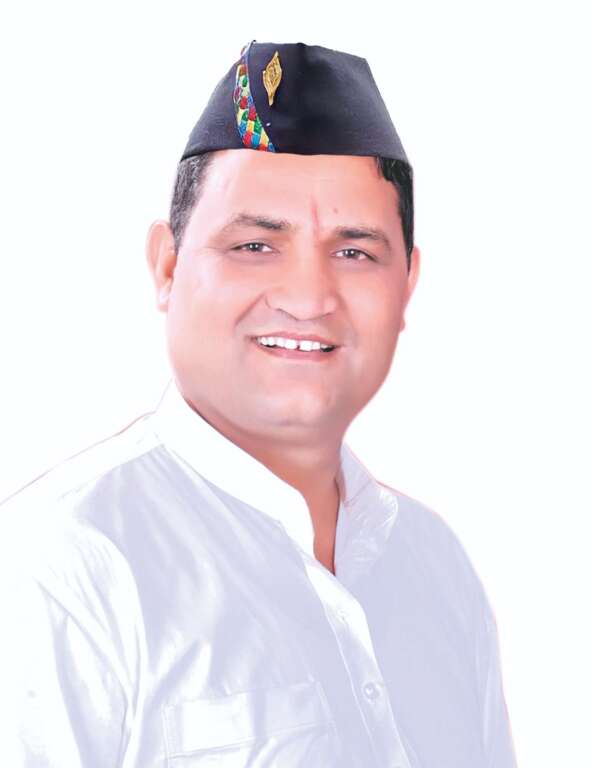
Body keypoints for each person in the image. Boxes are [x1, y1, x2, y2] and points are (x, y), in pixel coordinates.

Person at [0, 39, 517, 767]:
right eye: (254, 246)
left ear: (407, 284)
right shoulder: (58, 570)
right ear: (168, 266)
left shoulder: (435, 566)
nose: (307, 297)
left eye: (354, 252)